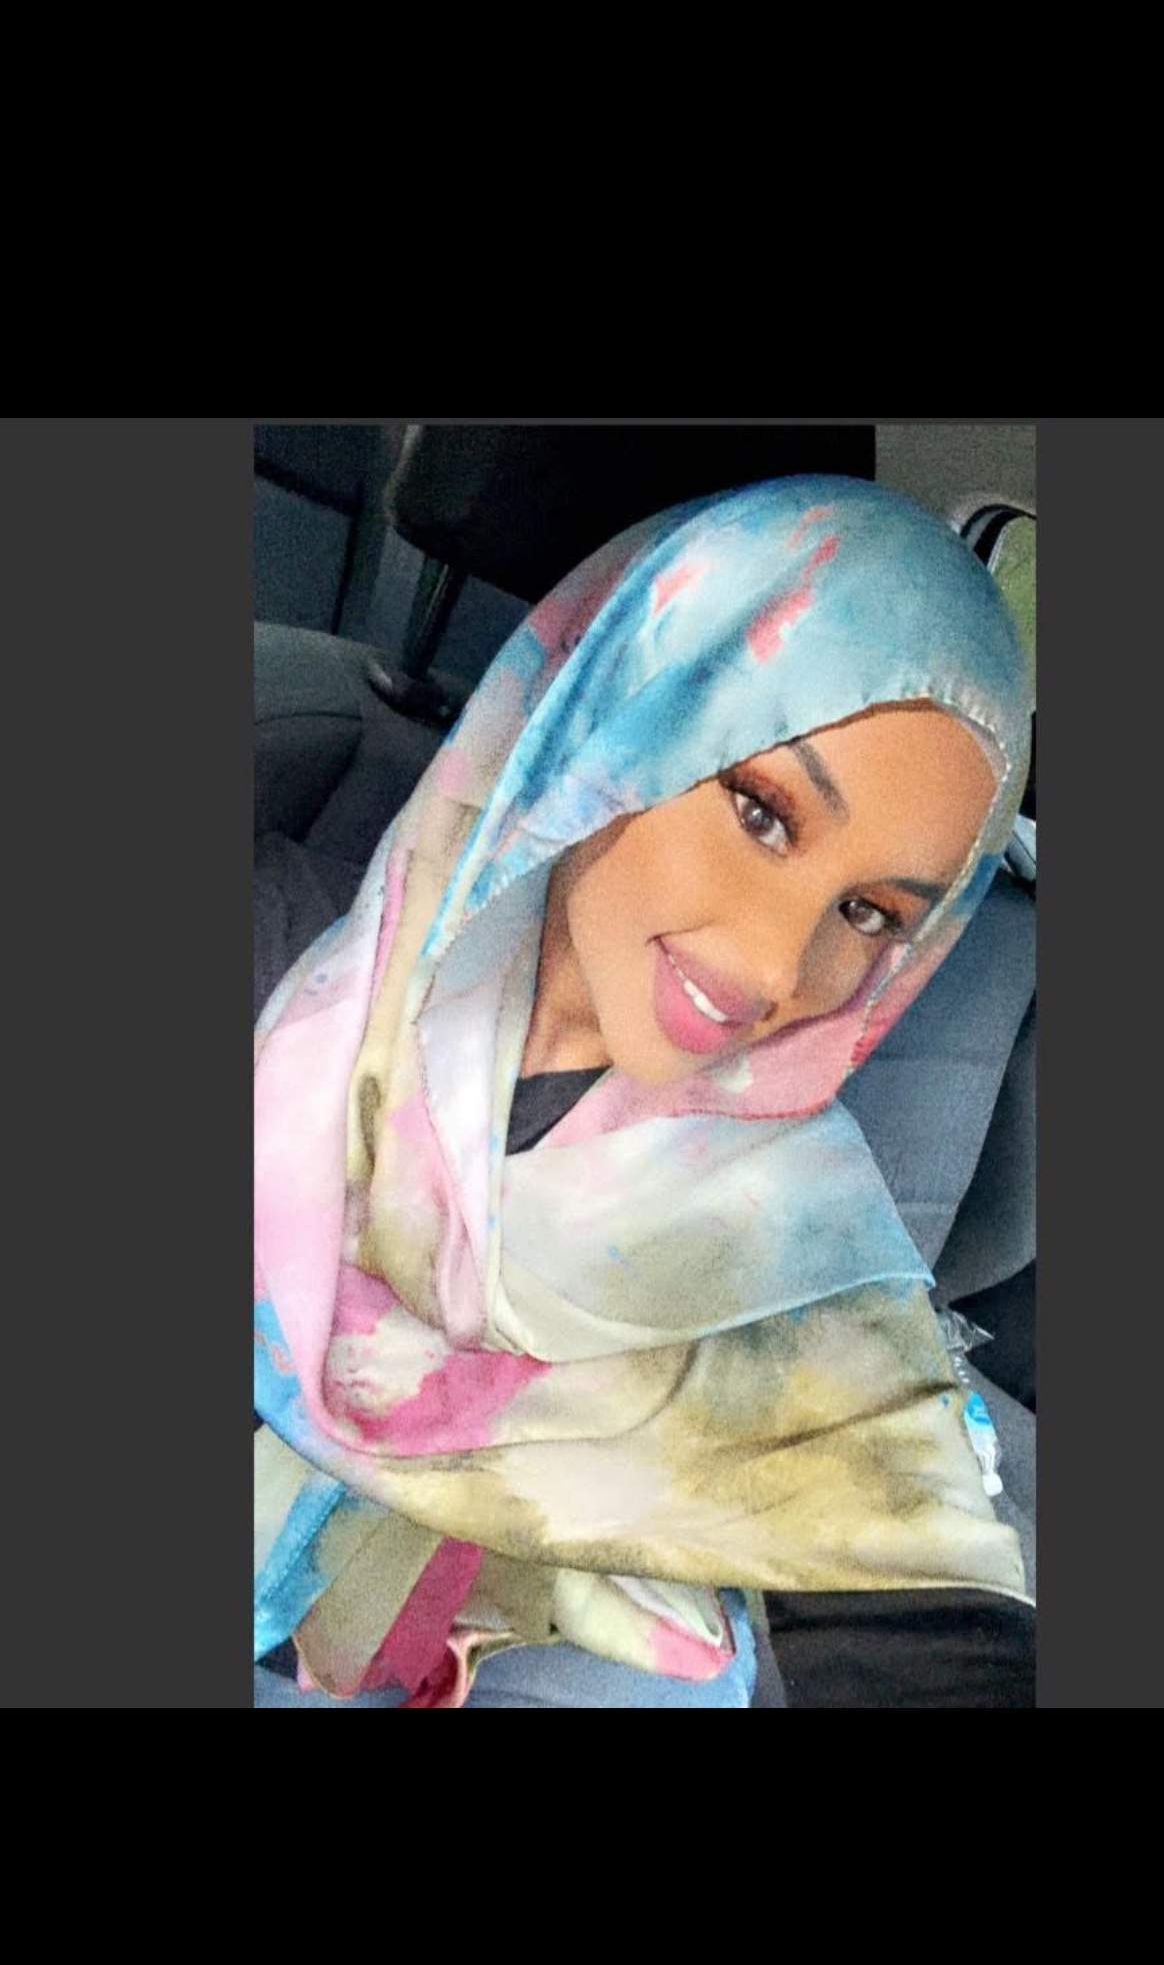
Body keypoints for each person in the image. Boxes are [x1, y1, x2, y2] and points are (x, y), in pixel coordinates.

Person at [254, 474, 1034, 1708]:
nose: (777, 967)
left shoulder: (795, 1243)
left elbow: (913, 1569)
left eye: (869, 914)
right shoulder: (268, 953)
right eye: (762, 812)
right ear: (614, 723)